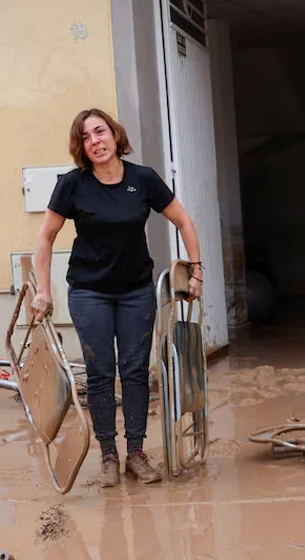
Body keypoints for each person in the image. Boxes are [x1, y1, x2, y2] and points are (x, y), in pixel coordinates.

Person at [31, 108, 204, 488]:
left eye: (100, 131)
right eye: (86, 136)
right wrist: (44, 290)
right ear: (82, 146)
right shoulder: (73, 184)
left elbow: (183, 220)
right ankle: (108, 455)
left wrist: (196, 269)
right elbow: (45, 237)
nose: (96, 141)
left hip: (135, 291)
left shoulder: (142, 179)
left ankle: (136, 454)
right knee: (100, 372)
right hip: (89, 291)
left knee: (135, 371)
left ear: (115, 135)